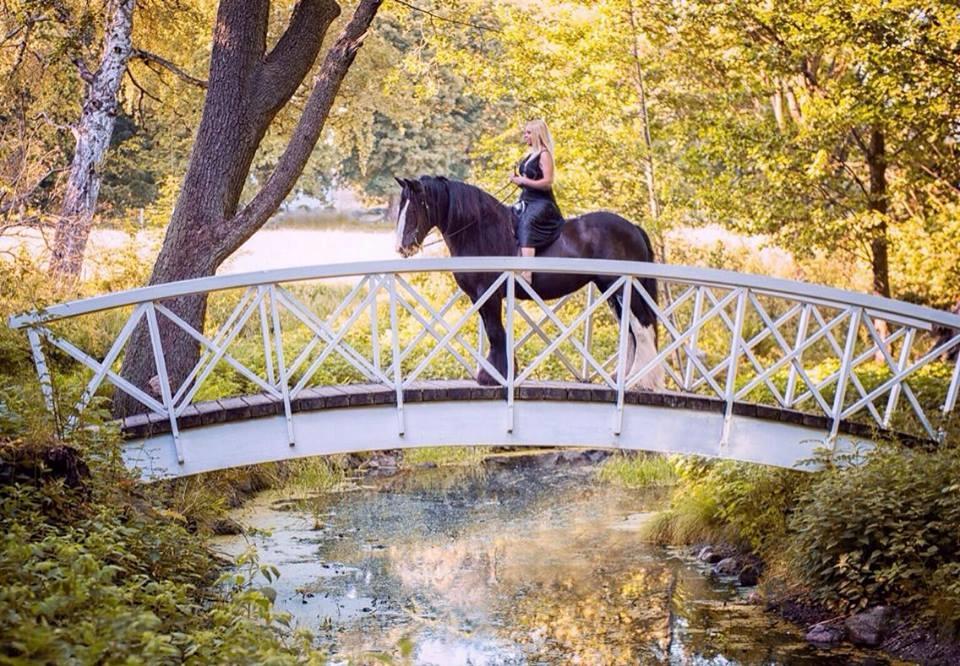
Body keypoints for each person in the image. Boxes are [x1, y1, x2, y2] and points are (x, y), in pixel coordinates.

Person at [509, 118, 564, 284]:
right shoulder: (529, 155)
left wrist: (524, 181)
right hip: (527, 199)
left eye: (528, 133)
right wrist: (518, 181)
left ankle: (527, 272)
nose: (525, 136)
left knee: (527, 222)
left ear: (537, 134)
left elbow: (547, 182)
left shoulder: (544, 154)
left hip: (542, 203)